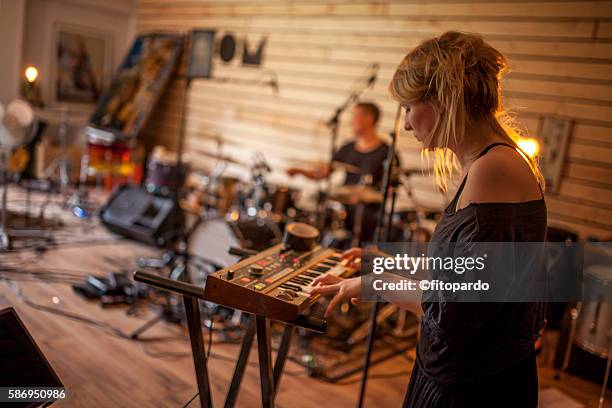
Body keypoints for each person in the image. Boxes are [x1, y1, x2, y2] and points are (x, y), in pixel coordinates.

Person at [310, 31, 547, 408]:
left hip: (473, 387)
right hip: (471, 374)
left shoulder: (492, 171)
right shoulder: (492, 163)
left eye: (408, 107)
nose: (404, 124)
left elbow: (454, 309)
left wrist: (375, 283)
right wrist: (386, 261)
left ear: (444, 99)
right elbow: (461, 271)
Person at [287, 102, 397, 243]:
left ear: (369, 119)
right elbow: (324, 173)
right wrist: (299, 171)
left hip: (368, 214)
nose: (351, 122)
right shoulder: (348, 147)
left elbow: (390, 188)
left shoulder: (386, 152)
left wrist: (366, 196)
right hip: (343, 208)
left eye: (355, 117)